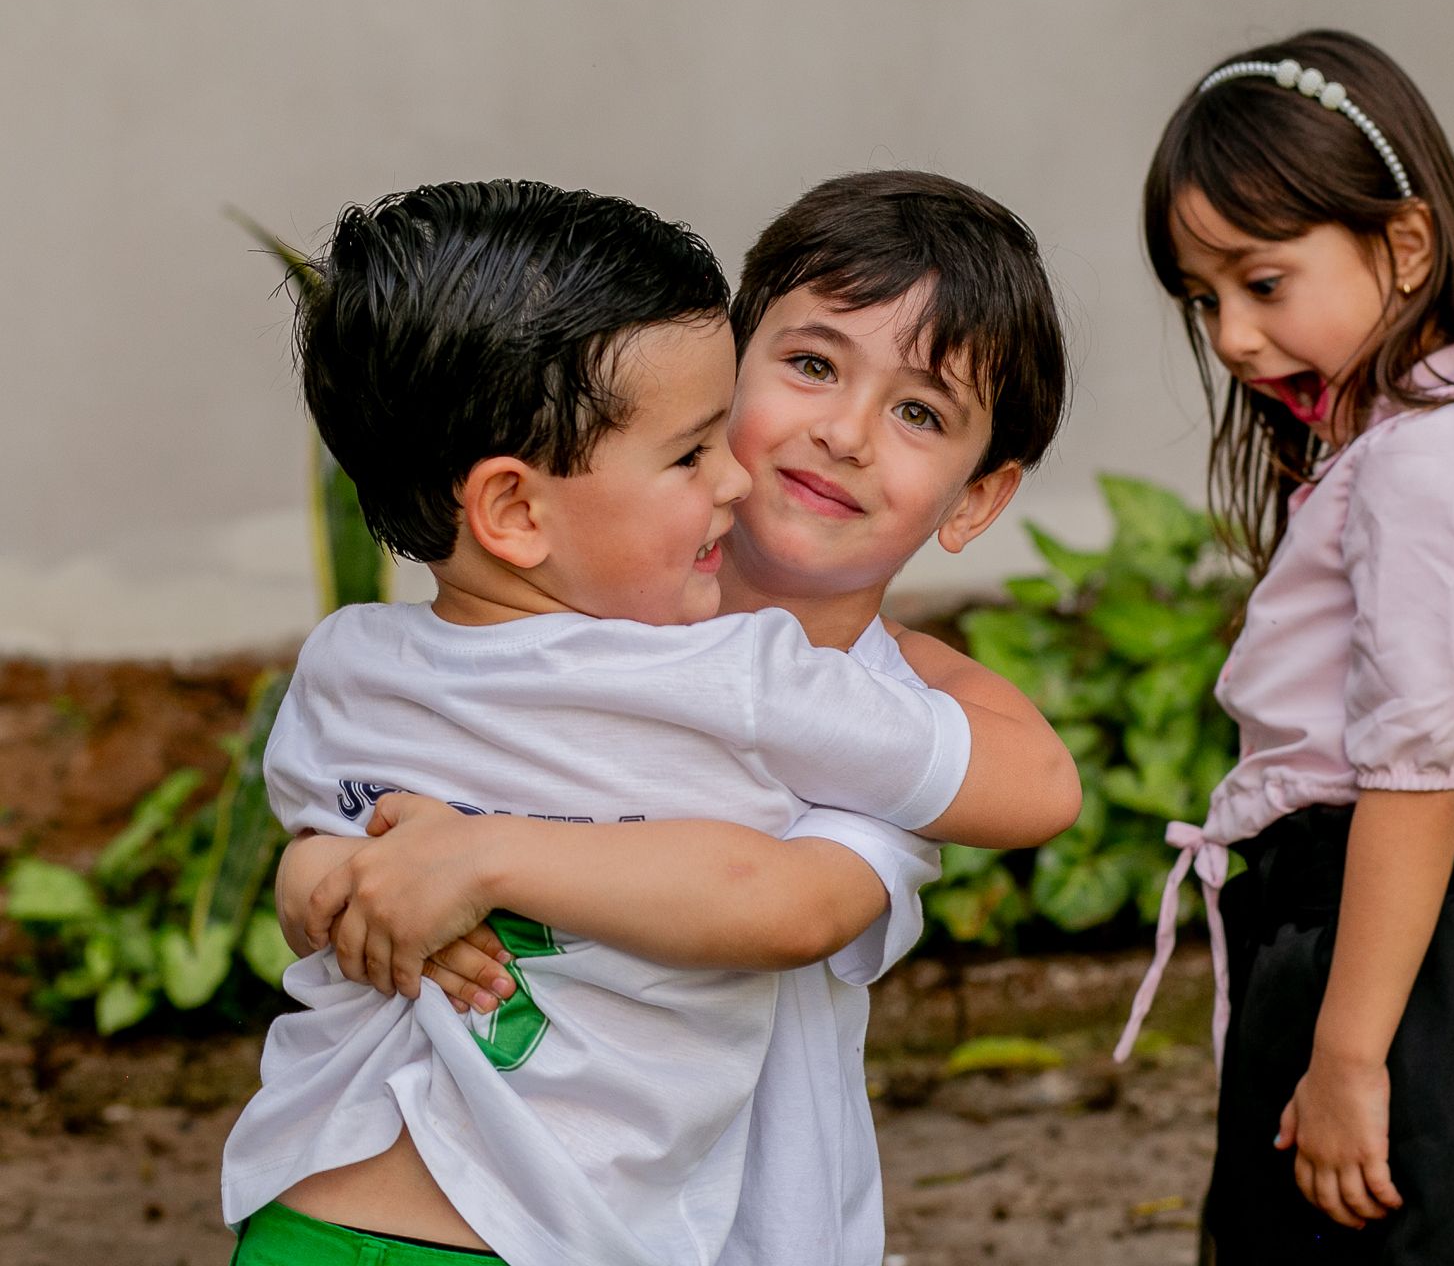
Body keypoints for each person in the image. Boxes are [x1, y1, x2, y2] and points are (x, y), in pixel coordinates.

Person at [220, 178, 1079, 1266]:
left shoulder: (357, 654)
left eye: (920, 411)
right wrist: (332, 883)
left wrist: (477, 858)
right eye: (810, 365)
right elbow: (323, 858)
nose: (843, 432)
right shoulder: (758, 688)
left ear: (975, 494)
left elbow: (820, 884)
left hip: (347, 1196)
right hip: (524, 1222)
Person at [1112, 30, 1454, 1265]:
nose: (1231, 334)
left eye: (1262, 282)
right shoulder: (1416, 441)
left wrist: (1347, 1052)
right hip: (1413, 949)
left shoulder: (1435, 457)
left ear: (1402, 245)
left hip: (1407, 957)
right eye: (1203, 298)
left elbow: (1417, 766)